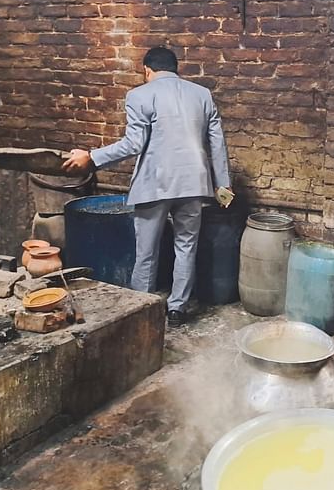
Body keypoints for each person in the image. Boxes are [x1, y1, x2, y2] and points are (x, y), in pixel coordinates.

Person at [63, 46, 232, 327]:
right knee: (186, 247)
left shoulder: (140, 94)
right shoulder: (202, 95)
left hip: (155, 184)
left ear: (147, 70)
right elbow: (217, 144)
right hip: (194, 184)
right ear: (175, 69)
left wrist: (91, 158)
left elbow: (133, 144)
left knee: (146, 252)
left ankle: (140, 308)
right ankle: (176, 308)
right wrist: (223, 186)